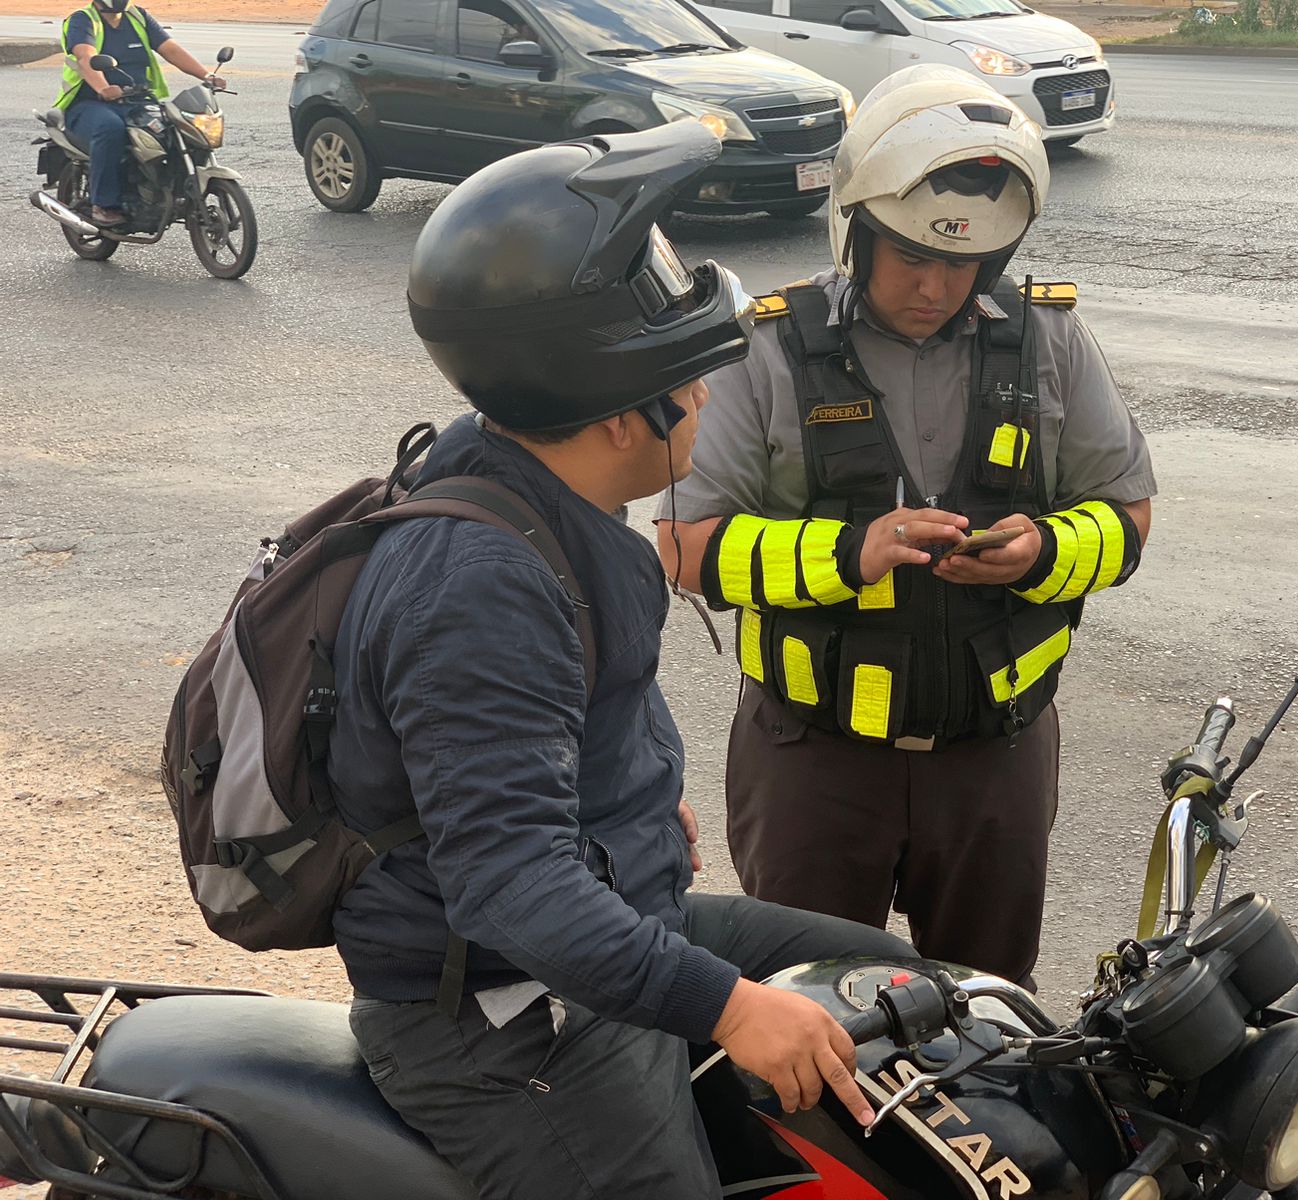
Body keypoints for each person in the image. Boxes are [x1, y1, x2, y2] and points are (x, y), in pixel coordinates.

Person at [328, 122, 914, 1200]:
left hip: (615, 913)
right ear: (605, 401)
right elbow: (510, 887)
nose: (701, 396)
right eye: (682, 371)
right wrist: (732, 1008)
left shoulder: (531, 483)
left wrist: (633, 807)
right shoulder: (480, 585)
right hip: (499, 1013)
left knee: (924, 998)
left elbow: (551, 740)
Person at [654, 65, 1157, 991]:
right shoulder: (767, 348)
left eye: (962, 264)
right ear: (859, 231)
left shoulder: (1049, 343)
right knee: (807, 1021)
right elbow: (686, 547)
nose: (936, 286)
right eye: (914, 258)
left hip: (994, 763)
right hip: (814, 762)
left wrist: (1042, 551)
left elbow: (1128, 517)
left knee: (988, 1014)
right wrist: (853, 554)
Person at [54, 0, 226, 226]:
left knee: (174, 127)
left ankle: (168, 193)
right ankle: (103, 205)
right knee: (111, 128)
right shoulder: (82, 19)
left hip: (136, 100)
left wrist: (206, 76)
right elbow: (86, 58)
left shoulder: (138, 17)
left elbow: (170, 49)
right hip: (89, 104)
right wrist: (103, 88)